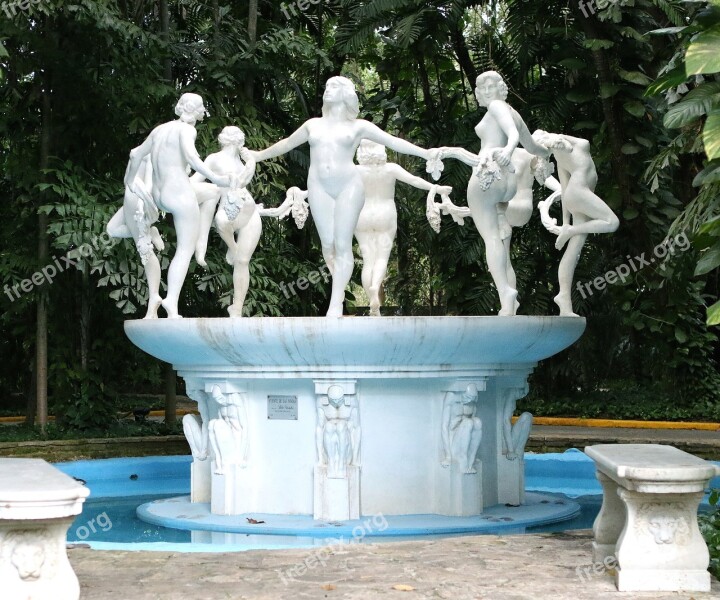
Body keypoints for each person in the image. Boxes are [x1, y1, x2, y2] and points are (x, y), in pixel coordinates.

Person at [249, 76, 472, 317]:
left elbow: (394, 141)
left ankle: (335, 302)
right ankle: (340, 283)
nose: (327, 91)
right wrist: (257, 156)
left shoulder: (358, 127)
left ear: (345, 93)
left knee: (343, 244)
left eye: (333, 87)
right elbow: (286, 144)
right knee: (328, 245)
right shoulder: (312, 125)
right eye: (326, 87)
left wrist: (425, 153)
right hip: (318, 186)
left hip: (349, 186)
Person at [447, 71, 551, 316]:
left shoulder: (497, 106)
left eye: (486, 87)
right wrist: (547, 154)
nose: (482, 92)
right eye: (481, 88)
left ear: (494, 89)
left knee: (491, 239)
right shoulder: (514, 113)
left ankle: (505, 291)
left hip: (487, 175)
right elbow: (534, 147)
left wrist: (506, 149)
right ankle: (508, 304)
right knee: (501, 243)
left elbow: (513, 137)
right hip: (508, 183)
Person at [123, 93, 230, 318]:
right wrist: (218, 178)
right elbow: (192, 159)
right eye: (202, 109)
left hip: (159, 195)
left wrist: (130, 182)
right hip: (179, 194)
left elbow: (135, 155)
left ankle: (200, 241)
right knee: (184, 249)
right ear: (196, 111)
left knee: (211, 193)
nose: (203, 113)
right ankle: (171, 300)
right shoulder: (187, 130)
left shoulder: (159, 130)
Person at [355, 140, 452, 316]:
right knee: (382, 258)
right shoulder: (390, 169)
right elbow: (414, 180)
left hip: (363, 215)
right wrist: (436, 189)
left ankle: (372, 298)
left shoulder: (355, 171)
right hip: (385, 214)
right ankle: (375, 287)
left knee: (368, 259)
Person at [532, 130, 620, 316]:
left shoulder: (561, 151)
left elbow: (565, 191)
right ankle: (572, 230)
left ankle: (564, 298)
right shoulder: (578, 145)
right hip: (580, 194)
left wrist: (565, 223)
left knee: (573, 250)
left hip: (577, 196)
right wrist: (567, 226)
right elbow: (565, 188)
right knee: (612, 222)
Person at [498, 148, 561, 310]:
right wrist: (559, 191)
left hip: (511, 207)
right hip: (522, 209)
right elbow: (546, 178)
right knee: (501, 258)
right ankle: (510, 301)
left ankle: (509, 301)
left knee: (499, 257)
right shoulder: (526, 154)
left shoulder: (507, 153)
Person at [106, 155, 165, 319]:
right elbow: (129, 179)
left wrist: (145, 203)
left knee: (144, 248)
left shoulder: (150, 156)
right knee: (112, 229)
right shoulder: (138, 154)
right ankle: (151, 231)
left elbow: (148, 183)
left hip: (138, 200)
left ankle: (154, 295)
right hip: (130, 198)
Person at [440, 384, 483, 474]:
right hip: (453, 443)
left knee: (478, 422)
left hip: (465, 441)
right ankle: (463, 461)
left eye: (472, 398)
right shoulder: (451, 397)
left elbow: (473, 431)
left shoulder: (472, 401)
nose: (469, 400)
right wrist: (448, 456)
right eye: (467, 397)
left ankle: (471, 460)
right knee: (468, 423)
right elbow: (444, 427)